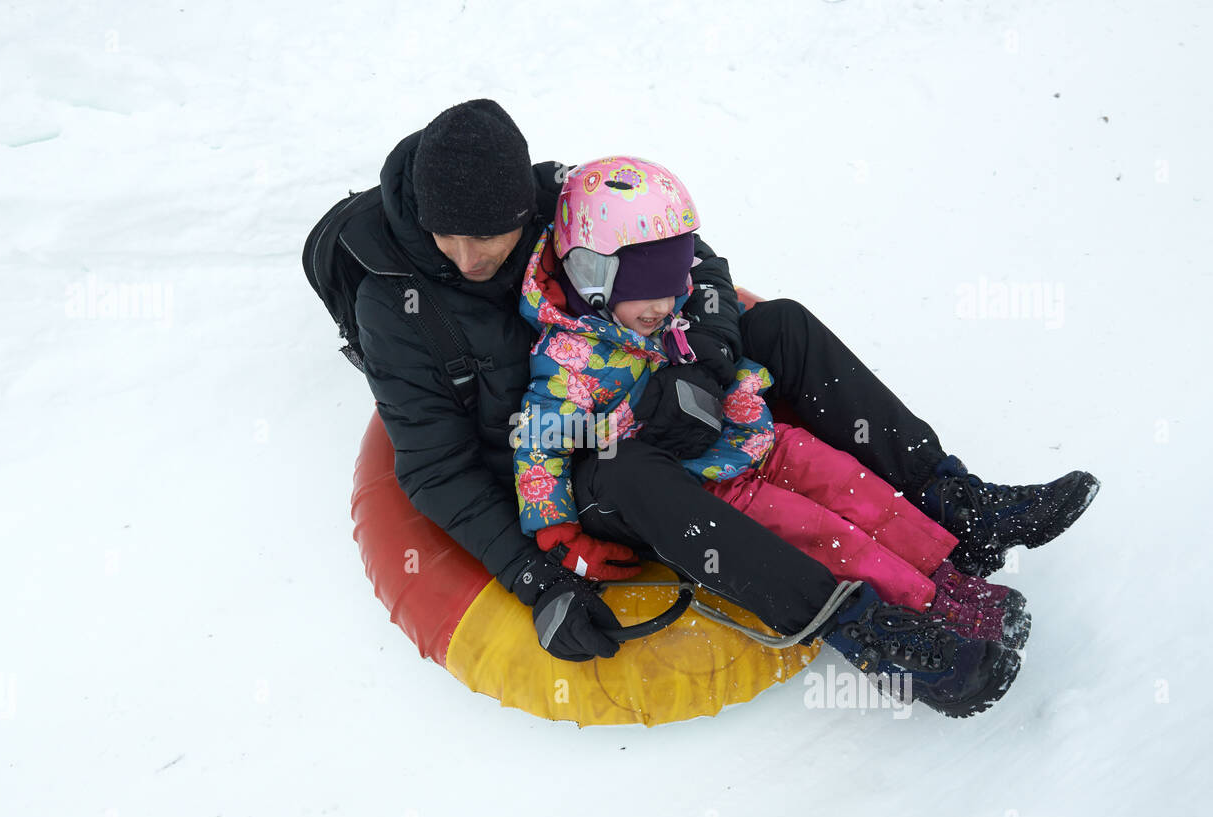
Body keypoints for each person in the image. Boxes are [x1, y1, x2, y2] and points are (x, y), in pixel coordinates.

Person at [310, 99, 1099, 716]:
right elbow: (437, 467)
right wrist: (535, 577)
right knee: (624, 471)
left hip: (650, 373)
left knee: (781, 323)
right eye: (452, 236)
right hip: (570, 456)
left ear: (528, 203)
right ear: (424, 212)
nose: (473, 258)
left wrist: (709, 360)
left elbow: (699, 264)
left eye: (496, 235)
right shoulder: (396, 306)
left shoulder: (563, 199)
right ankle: (866, 631)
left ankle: (956, 498)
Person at [509, 157, 1031, 716]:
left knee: (859, 491)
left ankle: (948, 578)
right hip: (714, 488)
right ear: (593, 277)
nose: (666, 305)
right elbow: (538, 448)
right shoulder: (568, 367)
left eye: (672, 287)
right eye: (649, 293)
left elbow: (709, 295)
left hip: (760, 438)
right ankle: (913, 635)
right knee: (828, 534)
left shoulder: (661, 305)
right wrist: (560, 538)